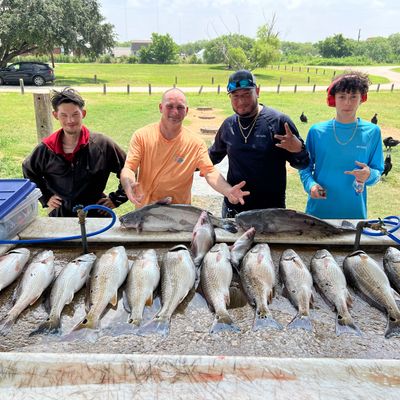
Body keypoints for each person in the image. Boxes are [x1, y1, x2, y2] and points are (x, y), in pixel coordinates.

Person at [120, 88, 249, 207]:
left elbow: (209, 172)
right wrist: (129, 185)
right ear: (160, 107)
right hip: (146, 210)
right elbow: (129, 168)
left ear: (186, 111)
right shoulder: (142, 136)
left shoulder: (195, 143)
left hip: (180, 213)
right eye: (169, 106)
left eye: (180, 107)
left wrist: (228, 191)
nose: (175, 112)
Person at [208, 69, 310, 217]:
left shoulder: (279, 123)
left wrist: (298, 149)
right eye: (235, 96)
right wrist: (183, 163)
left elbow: (303, 164)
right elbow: (211, 157)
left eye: (246, 94)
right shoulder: (228, 125)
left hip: (271, 213)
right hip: (233, 210)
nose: (241, 101)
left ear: (257, 91)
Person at [22, 87, 128, 217]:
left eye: (75, 114)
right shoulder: (46, 149)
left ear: (83, 113)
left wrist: (116, 198)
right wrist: (46, 196)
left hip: (96, 214)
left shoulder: (102, 145)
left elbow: (128, 168)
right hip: (61, 216)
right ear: (55, 115)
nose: (70, 121)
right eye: (64, 115)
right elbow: (29, 171)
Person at [299, 71, 384, 219]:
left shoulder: (372, 132)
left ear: (362, 99)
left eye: (353, 97)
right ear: (333, 99)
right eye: (342, 97)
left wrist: (369, 174)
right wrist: (311, 185)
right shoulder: (316, 132)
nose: (347, 103)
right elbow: (305, 167)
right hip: (319, 213)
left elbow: (377, 172)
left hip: (354, 214)